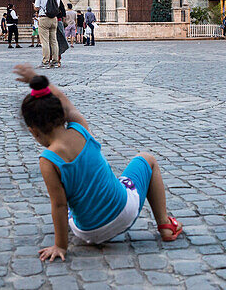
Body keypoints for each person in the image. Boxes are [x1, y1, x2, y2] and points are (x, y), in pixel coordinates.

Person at [14, 64, 183, 261]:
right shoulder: (81, 129)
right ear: (62, 114)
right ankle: (164, 224)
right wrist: (38, 80)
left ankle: (82, 220)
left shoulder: (48, 160)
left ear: (33, 131)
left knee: (69, 206)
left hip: (88, 232)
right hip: (124, 213)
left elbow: (59, 205)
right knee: (148, 159)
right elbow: (67, 103)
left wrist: (60, 246)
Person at [34, 0, 63, 68]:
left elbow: (36, 7)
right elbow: (57, 6)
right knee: (54, 41)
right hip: (54, 19)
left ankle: (46, 61)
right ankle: (55, 61)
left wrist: (34, 7)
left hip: (44, 18)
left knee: (45, 41)